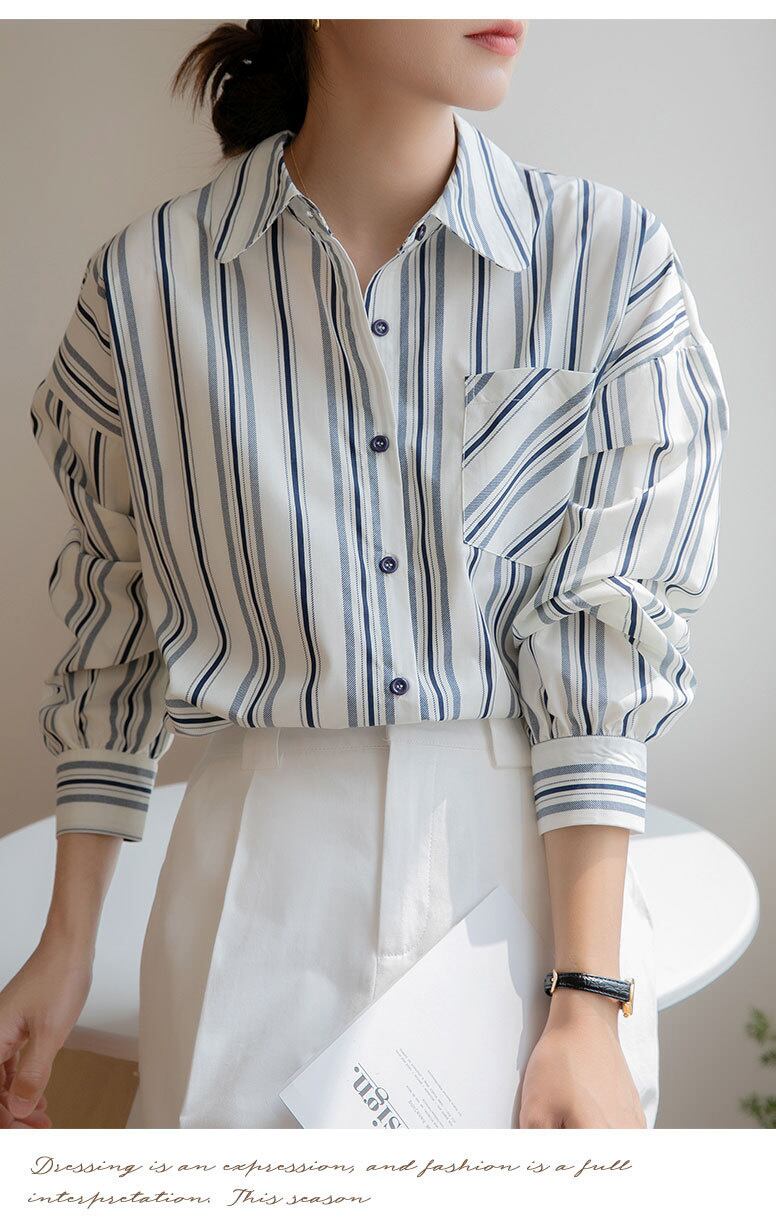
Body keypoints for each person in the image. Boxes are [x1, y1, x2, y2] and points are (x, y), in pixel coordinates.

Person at [1, 18, 729, 1131]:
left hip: (530, 884)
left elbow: (604, 637)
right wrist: (67, 943)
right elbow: (114, 624)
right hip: (255, 875)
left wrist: (586, 999)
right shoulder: (144, 287)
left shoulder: (605, 262)